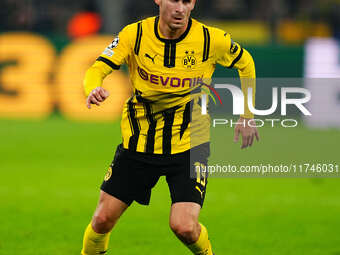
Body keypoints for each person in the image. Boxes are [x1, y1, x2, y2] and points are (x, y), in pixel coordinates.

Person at [81, 0, 259, 254]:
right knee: (101, 220)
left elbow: (246, 62)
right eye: (174, 0)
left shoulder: (211, 39)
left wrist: (247, 114)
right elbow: (97, 68)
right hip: (139, 143)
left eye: (186, 1)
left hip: (188, 144)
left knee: (184, 226)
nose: (180, 8)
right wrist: (93, 87)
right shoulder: (135, 34)